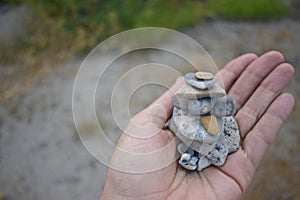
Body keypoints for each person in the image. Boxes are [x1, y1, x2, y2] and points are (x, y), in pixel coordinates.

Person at [100, 51, 295, 200]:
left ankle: (201, 157)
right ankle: (199, 157)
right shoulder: (189, 110)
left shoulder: (214, 110)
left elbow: (219, 109)